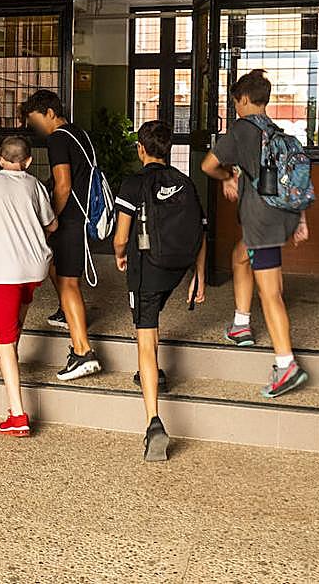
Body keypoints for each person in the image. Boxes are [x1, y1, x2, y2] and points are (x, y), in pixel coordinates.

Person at [201, 69, 310, 398]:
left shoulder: (241, 130)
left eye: (236, 101)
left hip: (261, 221)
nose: (235, 107)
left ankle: (286, 364)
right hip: (281, 216)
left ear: (245, 99)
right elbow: (293, 180)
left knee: (271, 293)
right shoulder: (277, 132)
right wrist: (300, 220)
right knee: (239, 257)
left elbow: (208, 165)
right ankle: (241, 324)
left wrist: (227, 177)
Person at [112, 120, 207, 461]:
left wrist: (120, 255)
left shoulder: (133, 184)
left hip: (147, 271)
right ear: (168, 149)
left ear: (141, 149)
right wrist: (199, 275)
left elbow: (121, 238)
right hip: (176, 270)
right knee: (152, 318)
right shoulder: (185, 182)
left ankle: (153, 422)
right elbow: (201, 230)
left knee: (145, 338)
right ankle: (153, 373)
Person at [0, 136, 56, 437]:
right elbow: (52, 225)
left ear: (0, 160)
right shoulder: (35, 185)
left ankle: (17, 414)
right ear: (28, 161)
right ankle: (10, 353)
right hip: (36, 267)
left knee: (3, 339)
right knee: (20, 310)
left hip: (5, 271)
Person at [21, 90, 102, 381]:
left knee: (68, 282)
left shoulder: (57, 138)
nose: (36, 128)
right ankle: (65, 313)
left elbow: (63, 184)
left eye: (36, 121)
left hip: (69, 219)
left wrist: (50, 220)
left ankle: (83, 352)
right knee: (57, 269)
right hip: (82, 216)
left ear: (50, 113)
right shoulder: (79, 134)